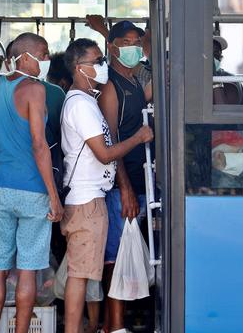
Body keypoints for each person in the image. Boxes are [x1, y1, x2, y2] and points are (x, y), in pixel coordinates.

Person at [61, 38, 153, 333]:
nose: (102, 67)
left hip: (91, 198)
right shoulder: (80, 105)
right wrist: (138, 138)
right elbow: (103, 154)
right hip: (87, 200)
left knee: (85, 274)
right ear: (79, 68)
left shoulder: (87, 101)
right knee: (80, 275)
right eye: (96, 62)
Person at [0, 32, 63, 333]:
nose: (45, 60)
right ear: (25, 57)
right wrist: (53, 197)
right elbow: (39, 145)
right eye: (42, 54)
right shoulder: (34, 89)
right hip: (32, 190)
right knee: (27, 271)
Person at [98, 20, 154, 333]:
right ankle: (114, 325)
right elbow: (110, 138)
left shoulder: (132, 82)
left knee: (124, 253)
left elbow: (141, 104)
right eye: (126, 41)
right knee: (115, 257)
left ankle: (114, 324)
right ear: (112, 46)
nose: (133, 46)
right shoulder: (110, 86)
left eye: (137, 41)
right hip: (123, 185)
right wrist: (126, 188)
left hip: (138, 178)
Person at [212, 35, 243, 104]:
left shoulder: (231, 81)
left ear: (221, 57)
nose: (211, 58)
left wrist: (214, 76)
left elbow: (223, 111)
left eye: (215, 53)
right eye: (208, 54)